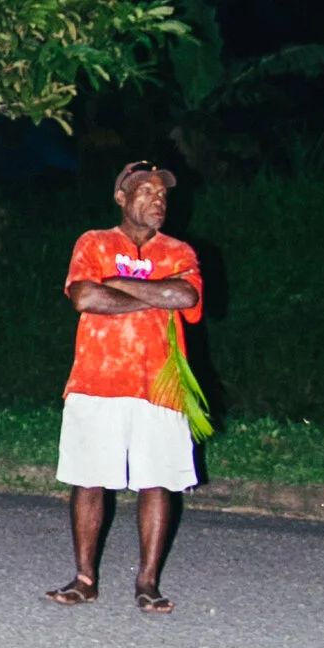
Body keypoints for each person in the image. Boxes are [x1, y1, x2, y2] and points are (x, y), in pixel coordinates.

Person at [45, 161, 204, 616]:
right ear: (121, 197)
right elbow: (84, 297)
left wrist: (118, 284)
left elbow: (186, 297)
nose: (158, 200)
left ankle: (147, 582)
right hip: (96, 381)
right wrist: (154, 292)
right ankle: (85, 579)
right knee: (89, 479)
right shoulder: (93, 242)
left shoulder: (179, 250)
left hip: (161, 385)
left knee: (158, 482)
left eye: (163, 194)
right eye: (147, 191)